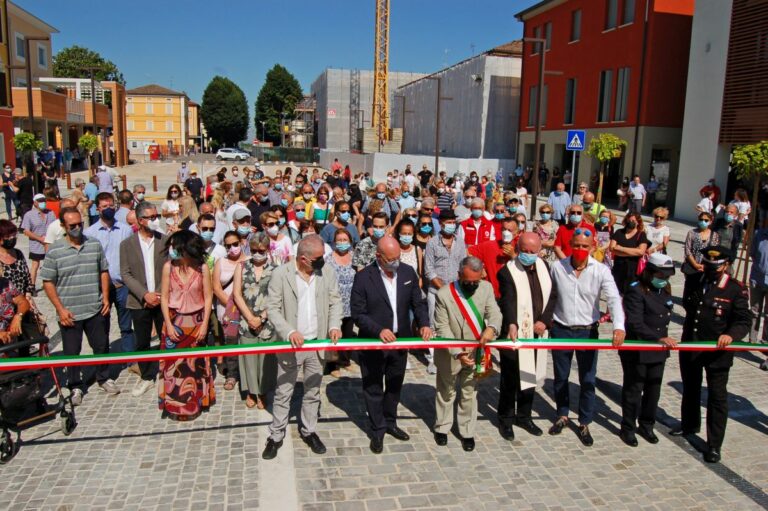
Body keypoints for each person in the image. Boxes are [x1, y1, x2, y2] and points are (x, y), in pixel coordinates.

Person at [262, 235, 342, 460]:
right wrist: (289, 331)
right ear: (304, 259)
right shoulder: (281, 274)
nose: (322, 262)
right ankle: (276, 435)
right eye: (318, 258)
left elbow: (335, 301)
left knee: (312, 390)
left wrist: (334, 325)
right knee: (284, 390)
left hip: (317, 344)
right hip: (291, 345)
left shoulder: (326, 272)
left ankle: (309, 430)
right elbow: (273, 308)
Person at [351, 236, 431, 454]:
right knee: (374, 386)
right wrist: (378, 330)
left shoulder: (407, 273)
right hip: (373, 343)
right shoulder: (363, 278)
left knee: (394, 385)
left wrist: (423, 324)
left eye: (398, 257)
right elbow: (358, 313)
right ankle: (377, 429)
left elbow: (419, 302)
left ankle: (390, 421)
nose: (396, 262)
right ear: (378, 256)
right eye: (391, 258)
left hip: (400, 340)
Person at [673, 246, 751, 463]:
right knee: (690, 387)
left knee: (717, 397)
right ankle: (689, 424)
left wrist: (731, 335)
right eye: (707, 265)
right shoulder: (698, 280)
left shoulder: (735, 288)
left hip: (718, 352)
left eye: (715, 267)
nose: (710, 270)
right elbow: (690, 307)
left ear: (726, 266)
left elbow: (744, 320)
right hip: (692, 344)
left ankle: (714, 444)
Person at [548, 232, 625, 446]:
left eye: (585, 245)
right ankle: (562, 414)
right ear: (570, 245)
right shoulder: (557, 267)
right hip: (561, 330)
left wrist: (619, 326)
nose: (580, 249)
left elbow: (614, 299)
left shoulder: (601, 270)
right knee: (561, 376)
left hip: (587, 331)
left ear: (592, 247)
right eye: (577, 245)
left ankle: (584, 421)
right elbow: (549, 295)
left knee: (588, 379)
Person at [41, 207, 118, 405]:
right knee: (72, 352)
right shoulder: (55, 251)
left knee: (101, 346)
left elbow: (103, 270)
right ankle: (75, 385)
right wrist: (60, 309)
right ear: (63, 226)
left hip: (94, 308)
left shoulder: (93, 244)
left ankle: (103, 377)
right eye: (72, 225)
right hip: (70, 312)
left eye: (79, 224)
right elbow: (48, 282)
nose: (77, 228)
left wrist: (106, 298)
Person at [433, 256, 501, 451]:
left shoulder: (486, 288)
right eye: (468, 281)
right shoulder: (444, 294)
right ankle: (442, 427)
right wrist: (457, 352)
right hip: (450, 353)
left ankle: (467, 432)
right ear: (459, 275)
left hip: (475, 351)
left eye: (475, 281)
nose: (472, 285)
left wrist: (492, 328)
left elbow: (495, 313)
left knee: (469, 393)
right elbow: (442, 327)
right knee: (446, 392)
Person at [497, 233, 556, 441]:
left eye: (533, 251)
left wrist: (544, 321)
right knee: (510, 379)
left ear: (540, 249)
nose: (529, 255)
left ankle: (524, 416)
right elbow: (508, 301)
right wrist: (512, 322)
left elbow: (552, 296)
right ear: (517, 247)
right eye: (525, 251)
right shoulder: (507, 272)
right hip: (515, 334)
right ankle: (505, 418)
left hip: (538, 332)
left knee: (529, 376)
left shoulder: (544, 267)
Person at [619, 253, 677, 447]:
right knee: (633, 391)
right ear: (650, 272)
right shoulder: (636, 290)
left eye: (666, 276)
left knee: (653, 391)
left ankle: (647, 425)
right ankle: (628, 427)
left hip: (659, 351)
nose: (664, 280)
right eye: (661, 275)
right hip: (639, 349)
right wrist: (658, 338)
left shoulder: (664, 290)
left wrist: (661, 340)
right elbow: (635, 323)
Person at [159, 230, 215, 421]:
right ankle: (174, 405)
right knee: (173, 367)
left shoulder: (202, 268)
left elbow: (208, 297)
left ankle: (194, 403)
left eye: (176, 247)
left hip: (196, 321)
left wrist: (205, 323)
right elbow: (164, 297)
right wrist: (167, 323)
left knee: (194, 367)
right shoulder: (169, 267)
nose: (172, 250)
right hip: (174, 321)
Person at [84, 192, 135, 371]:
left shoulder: (125, 229)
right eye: (104, 207)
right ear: (97, 209)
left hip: (122, 285)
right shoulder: (89, 233)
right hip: (101, 288)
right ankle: (103, 363)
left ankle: (129, 359)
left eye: (111, 205)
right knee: (101, 327)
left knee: (126, 325)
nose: (109, 209)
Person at [120, 201, 166, 396]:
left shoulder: (164, 240)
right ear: (140, 220)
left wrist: (158, 293)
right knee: (143, 340)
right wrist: (144, 294)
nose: (155, 220)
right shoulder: (127, 244)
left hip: (161, 298)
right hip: (139, 302)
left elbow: (170, 268)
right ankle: (146, 375)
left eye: (157, 217)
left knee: (166, 338)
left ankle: (167, 374)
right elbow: (126, 273)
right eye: (152, 217)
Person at [233, 232, 278, 409]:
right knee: (249, 358)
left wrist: (262, 317)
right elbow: (237, 294)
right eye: (254, 250)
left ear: (267, 249)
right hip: (246, 318)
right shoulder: (242, 266)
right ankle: (251, 391)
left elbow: (277, 296)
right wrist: (251, 317)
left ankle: (263, 392)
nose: (257, 253)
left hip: (268, 319)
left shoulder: (276, 268)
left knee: (266, 359)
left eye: (261, 250)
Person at [424, 210, 467, 374]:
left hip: (457, 292)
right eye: (447, 222)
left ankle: (454, 355)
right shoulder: (432, 243)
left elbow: (463, 265)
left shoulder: (460, 242)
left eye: (452, 222)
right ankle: (432, 359)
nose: (451, 225)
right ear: (441, 223)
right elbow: (429, 270)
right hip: (436, 292)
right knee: (434, 325)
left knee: (454, 324)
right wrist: (444, 289)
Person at [213, 230, 249, 391]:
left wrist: (242, 306)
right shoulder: (221, 262)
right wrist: (231, 306)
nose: (232, 248)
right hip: (227, 311)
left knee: (247, 343)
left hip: (247, 310)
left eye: (235, 244)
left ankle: (249, 376)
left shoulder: (249, 260)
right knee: (231, 342)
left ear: (241, 243)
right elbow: (216, 287)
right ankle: (232, 374)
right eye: (228, 246)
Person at [323, 228, 356, 378]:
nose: (342, 243)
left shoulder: (354, 257)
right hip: (334, 302)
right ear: (334, 242)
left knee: (348, 333)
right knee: (334, 333)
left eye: (345, 240)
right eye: (339, 240)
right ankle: (332, 364)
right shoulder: (328, 259)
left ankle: (345, 360)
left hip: (351, 302)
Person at [469, 217, 517, 298]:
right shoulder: (489, 245)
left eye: (510, 230)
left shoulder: (520, 247)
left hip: (512, 295)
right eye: (504, 229)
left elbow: (528, 269)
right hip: (491, 295)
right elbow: (467, 252)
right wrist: (479, 267)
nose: (506, 233)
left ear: (516, 233)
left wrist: (513, 256)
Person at [682, 212, 720, 304]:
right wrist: (695, 264)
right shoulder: (692, 233)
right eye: (701, 219)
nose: (703, 222)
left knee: (702, 292)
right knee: (689, 292)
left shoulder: (714, 235)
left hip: (706, 268)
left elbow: (714, 252)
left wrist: (705, 265)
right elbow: (687, 250)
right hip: (692, 267)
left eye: (706, 220)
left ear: (710, 221)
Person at [21, 193, 56, 293]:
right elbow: (26, 231)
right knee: (35, 265)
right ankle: (32, 285)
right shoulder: (29, 215)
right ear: (35, 203)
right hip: (36, 244)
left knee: (50, 264)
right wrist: (40, 239)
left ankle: (51, 284)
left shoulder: (50, 213)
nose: (43, 203)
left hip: (50, 244)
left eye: (44, 201)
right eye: (40, 201)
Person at [609, 212, 648, 295]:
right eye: (629, 220)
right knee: (614, 294)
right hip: (618, 269)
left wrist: (621, 248)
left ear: (638, 222)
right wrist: (633, 251)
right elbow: (612, 248)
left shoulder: (641, 235)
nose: (631, 222)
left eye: (634, 220)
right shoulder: (619, 232)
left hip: (633, 271)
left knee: (630, 295)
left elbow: (641, 251)